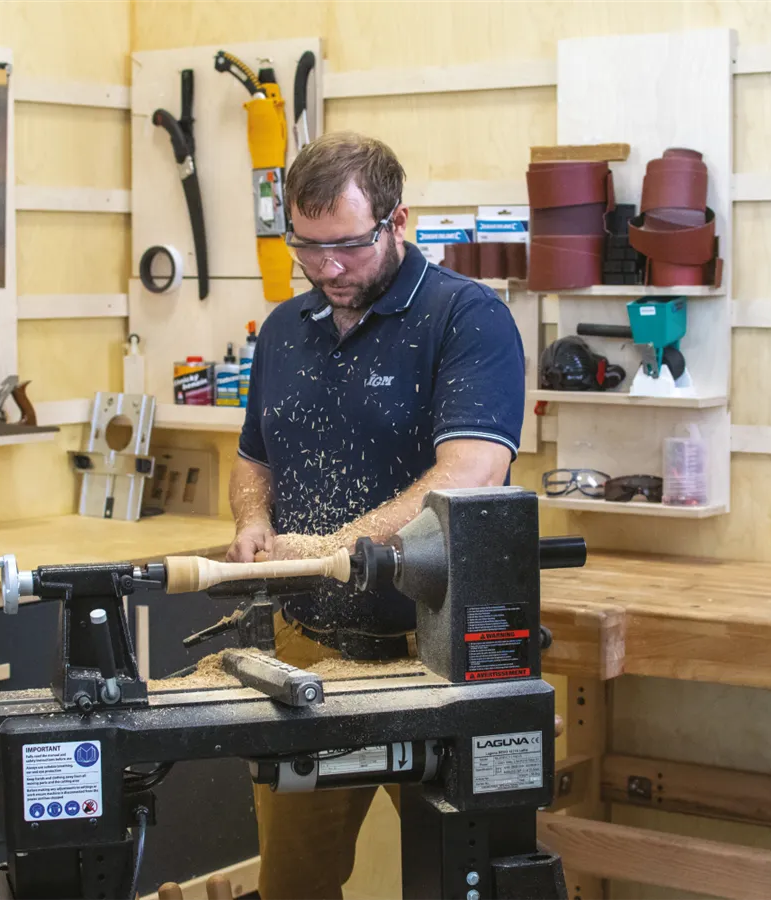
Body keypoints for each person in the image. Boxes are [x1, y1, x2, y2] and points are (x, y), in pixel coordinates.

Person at [227, 131, 525, 900]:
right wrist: (254, 522)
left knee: (468, 872)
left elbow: (471, 472)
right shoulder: (284, 330)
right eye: (306, 246)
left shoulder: (468, 319)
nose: (326, 267)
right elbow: (255, 458)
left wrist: (334, 546)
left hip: (439, 653)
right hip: (311, 655)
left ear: (399, 223)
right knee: (294, 883)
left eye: (348, 247)